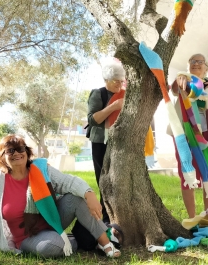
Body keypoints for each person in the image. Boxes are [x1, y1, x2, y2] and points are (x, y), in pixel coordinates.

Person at [0, 134, 121, 259]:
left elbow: (68, 182)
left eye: (20, 149)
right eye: (10, 151)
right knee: (51, 247)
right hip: (26, 238)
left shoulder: (40, 169)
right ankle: (83, 238)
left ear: (27, 153)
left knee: (76, 197)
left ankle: (104, 241)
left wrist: (89, 194)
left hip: (53, 221)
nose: (16, 153)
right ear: (2, 157)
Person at [168, 53, 208, 219]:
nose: (195, 64)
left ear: (206, 67)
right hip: (184, 134)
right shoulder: (183, 79)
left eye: (199, 62)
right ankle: (192, 217)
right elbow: (174, 89)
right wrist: (180, 80)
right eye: (192, 61)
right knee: (187, 173)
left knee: (207, 172)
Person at [87, 58, 125, 224]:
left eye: (121, 80)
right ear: (106, 80)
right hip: (100, 142)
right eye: (115, 81)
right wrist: (113, 106)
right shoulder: (98, 93)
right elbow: (93, 119)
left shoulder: (125, 94)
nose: (119, 84)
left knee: (118, 180)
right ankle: (106, 218)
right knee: (104, 179)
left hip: (119, 142)